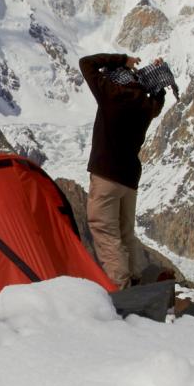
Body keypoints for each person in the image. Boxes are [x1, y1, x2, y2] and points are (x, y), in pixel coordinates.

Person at [79, 53, 166, 288]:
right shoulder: (147, 105)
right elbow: (159, 97)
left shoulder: (111, 95)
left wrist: (122, 60)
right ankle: (137, 279)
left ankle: (121, 289)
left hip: (106, 174)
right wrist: (157, 77)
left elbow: (86, 64)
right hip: (130, 179)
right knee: (126, 232)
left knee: (106, 232)